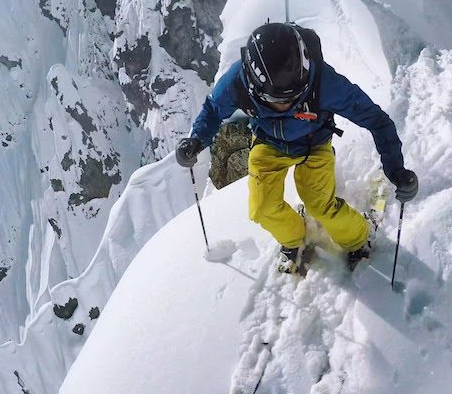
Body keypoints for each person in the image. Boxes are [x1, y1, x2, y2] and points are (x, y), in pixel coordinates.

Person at [176, 22, 418, 273]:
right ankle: (294, 240)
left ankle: (360, 237)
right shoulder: (236, 83)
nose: (286, 105)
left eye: (294, 97)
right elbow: (213, 111)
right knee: (262, 209)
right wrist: (196, 140)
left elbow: (376, 120)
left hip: (315, 143)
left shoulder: (323, 81)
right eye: (277, 100)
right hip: (268, 143)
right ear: (252, 84)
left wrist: (396, 169)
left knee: (319, 205)